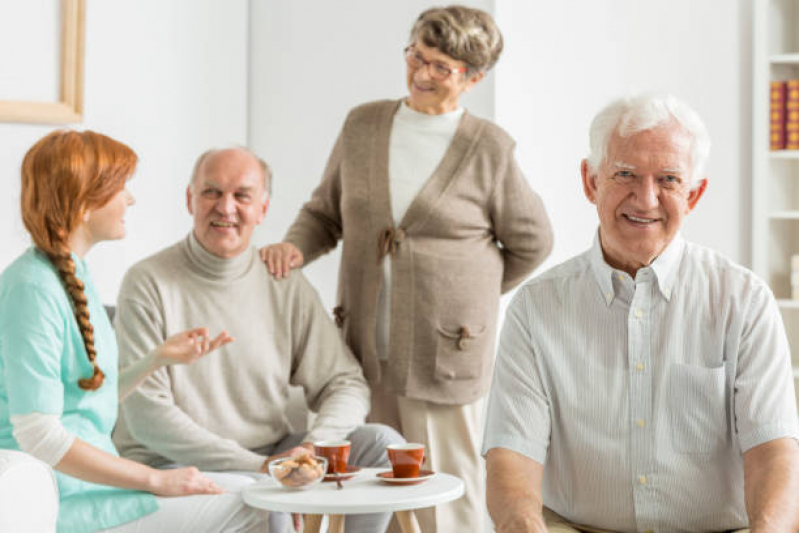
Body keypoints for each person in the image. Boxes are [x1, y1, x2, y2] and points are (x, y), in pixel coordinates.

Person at [262, 5, 553, 532]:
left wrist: (472, 300)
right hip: (359, 350)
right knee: (359, 489)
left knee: (442, 496)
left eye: (441, 67)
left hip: (445, 356)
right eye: (417, 56)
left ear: (473, 78)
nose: (422, 73)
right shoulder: (363, 125)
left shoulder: (488, 148)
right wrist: (294, 248)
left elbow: (533, 242)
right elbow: (324, 213)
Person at [483, 94, 799, 533]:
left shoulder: (744, 301)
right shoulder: (535, 309)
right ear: (590, 181)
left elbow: (774, 453)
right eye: (625, 174)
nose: (646, 199)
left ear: (694, 193)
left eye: (668, 179)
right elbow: (511, 459)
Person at [111, 146, 403, 533]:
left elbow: (344, 382)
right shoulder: (147, 282)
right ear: (189, 200)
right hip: (174, 463)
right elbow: (147, 417)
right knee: (267, 503)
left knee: (382, 444)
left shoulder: (283, 282)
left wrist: (313, 449)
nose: (225, 208)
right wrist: (262, 468)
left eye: (241, 196)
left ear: (262, 209)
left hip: (271, 453)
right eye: (211, 192)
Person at [0, 130, 268, 533]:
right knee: (255, 506)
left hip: (97, 487)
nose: (130, 199)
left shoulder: (73, 274)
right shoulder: (32, 289)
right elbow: (37, 433)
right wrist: (157, 479)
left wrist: (157, 359)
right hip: (65, 500)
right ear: (84, 202)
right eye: (120, 188)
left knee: (256, 487)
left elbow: (85, 398)